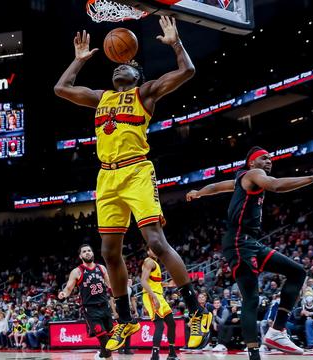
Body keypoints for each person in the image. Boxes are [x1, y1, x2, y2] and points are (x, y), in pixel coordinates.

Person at [54, 16, 211, 350]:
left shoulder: (146, 93)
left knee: (155, 242)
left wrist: (175, 43)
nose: (117, 69)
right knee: (109, 252)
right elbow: (61, 89)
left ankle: (198, 311)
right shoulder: (100, 97)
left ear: (137, 75)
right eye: (115, 68)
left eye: (126, 66)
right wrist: (79, 60)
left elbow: (187, 72)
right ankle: (125, 320)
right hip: (106, 176)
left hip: (136, 171)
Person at [186, 146, 313, 359]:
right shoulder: (254, 174)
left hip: (250, 242)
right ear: (252, 163)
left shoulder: (242, 179)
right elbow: (276, 185)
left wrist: (199, 192)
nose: (270, 161)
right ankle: (254, 353)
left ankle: (277, 331)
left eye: (271, 158)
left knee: (297, 272)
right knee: (251, 299)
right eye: (265, 158)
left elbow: (216, 186)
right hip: (239, 242)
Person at [59, 244, 116, 360]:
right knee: (103, 337)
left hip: (105, 307)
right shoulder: (77, 271)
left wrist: (122, 284)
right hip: (91, 309)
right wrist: (63, 293)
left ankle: (101, 354)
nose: (87, 253)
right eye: (84, 251)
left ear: (93, 253)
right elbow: (69, 288)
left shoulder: (101, 268)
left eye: (89, 250)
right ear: (81, 256)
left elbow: (110, 285)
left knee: (111, 338)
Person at [141, 247, 179, 360]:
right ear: (148, 251)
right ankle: (155, 355)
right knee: (160, 325)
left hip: (159, 295)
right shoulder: (149, 262)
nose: (155, 250)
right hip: (151, 295)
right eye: (152, 249)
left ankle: (172, 353)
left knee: (171, 323)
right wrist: (154, 297)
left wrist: (168, 285)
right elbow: (143, 281)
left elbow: (155, 282)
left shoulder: (155, 264)